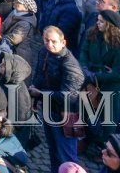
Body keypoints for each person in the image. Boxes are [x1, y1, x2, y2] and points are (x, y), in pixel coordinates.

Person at [30, 25, 84, 171]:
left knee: (67, 156)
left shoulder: (70, 65)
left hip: (67, 114)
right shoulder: (44, 53)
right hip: (49, 109)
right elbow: (39, 76)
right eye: (46, 40)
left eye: (54, 41)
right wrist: (35, 97)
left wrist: (39, 94)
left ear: (63, 42)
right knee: (54, 151)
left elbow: (68, 96)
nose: (50, 44)